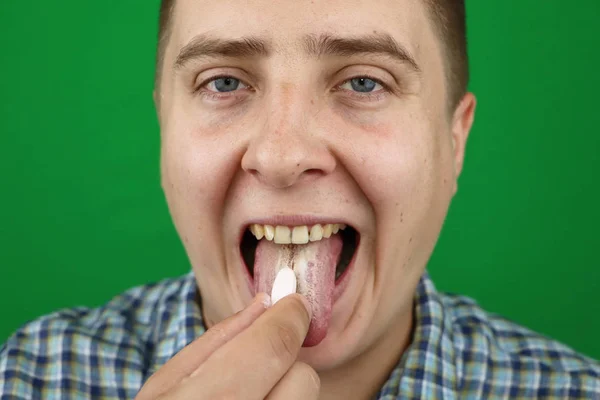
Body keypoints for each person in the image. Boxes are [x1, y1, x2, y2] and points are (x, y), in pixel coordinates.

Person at [1, 0, 599, 398]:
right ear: (165, 129)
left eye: (365, 81)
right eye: (224, 82)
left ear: (455, 140)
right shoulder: (29, 376)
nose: (282, 155)